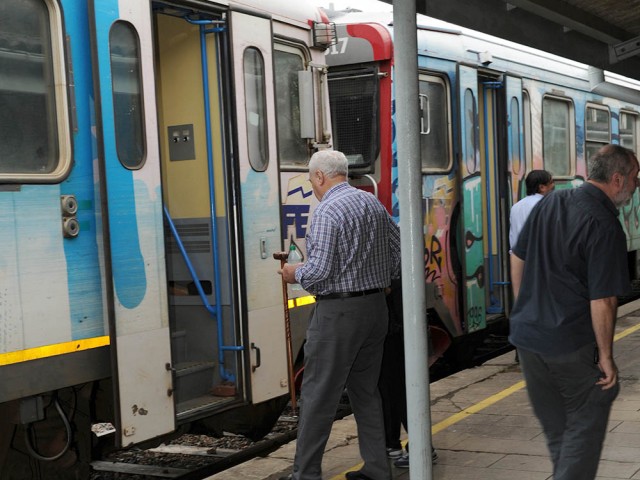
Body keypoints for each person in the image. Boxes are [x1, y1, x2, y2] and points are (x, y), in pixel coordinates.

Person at [509, 144, 639, 480]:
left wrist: (524, 308)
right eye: (635, 179)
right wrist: (607, 357)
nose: (636, 186)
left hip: (528, 338)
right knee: (593, 406)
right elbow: (603, 300)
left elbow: (518, 256)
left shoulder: (551, 200)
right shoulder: (605, 225)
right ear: (617, 178)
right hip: (569, 342)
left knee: (559, 430)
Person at [278, 150, 401, 480]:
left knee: (318, 396)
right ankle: (377, 468)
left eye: (311, 179)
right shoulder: (373, 203)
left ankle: (306, 474)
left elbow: (319, 270)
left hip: (338, 315)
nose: (312, 185)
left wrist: (294, 273)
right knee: (366, 392)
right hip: (375, 309)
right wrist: (377, 282)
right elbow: (397, 252)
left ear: (319, 177)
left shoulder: (327, 210)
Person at [509, 169, 554, 252]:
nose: (553, 185)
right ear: (542, 187)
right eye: (551, 182)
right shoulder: (545, 205)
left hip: (518, 257)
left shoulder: (515, 207)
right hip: (538, 258)